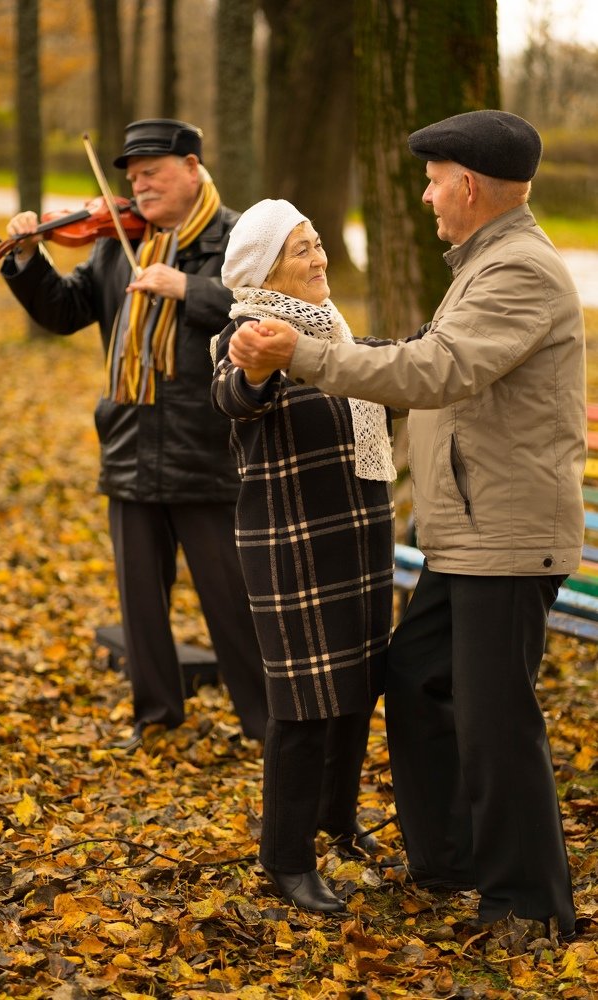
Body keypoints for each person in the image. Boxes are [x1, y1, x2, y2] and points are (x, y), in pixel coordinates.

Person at [226, 111, 586, 940]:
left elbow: (436, 368)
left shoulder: (518, 269)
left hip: (506, 535)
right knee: (420, 679)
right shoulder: (483, 262)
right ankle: (451, 860)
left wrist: (303, 356)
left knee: (497, 724)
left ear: (468, 185)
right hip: (467, 533)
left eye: (433, 182)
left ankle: (529, 904)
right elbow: (427, 355)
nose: (425, 197)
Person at [0, 118, 268, 751]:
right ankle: (157, 719)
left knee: (232, 603)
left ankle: (267, 726)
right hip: (128, 443)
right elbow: (66, 310)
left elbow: (268, 313)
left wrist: (189, 289)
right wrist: (28, 259)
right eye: (133, 176)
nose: (139, 186)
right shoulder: (117, 244)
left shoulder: (238, 240)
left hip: (208, 449)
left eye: (152, 173)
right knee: (141, 606)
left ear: (193, 168)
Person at [211, 199, 397, 912]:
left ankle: (336, 819)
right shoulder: (246, 334)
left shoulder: (333, 331)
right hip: (293, 548)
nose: (320, 257)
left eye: (318, 242)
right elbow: (234, 395)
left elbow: (390, 369)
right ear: (265, 272)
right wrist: (256, 370)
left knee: (355, 689)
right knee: (304, 704)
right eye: (302, 249)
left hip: (359, 537)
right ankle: (285, 858)